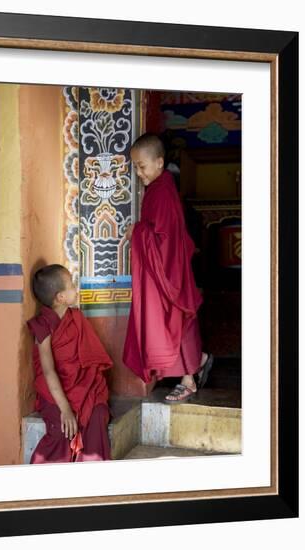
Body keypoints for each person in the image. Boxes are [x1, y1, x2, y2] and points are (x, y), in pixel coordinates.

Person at [123, 133, 213, 403]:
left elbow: (164, 238)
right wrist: (141, 232)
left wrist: (136, 231)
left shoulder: (161, 191)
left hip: (168, 271)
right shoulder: (160, 188)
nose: (139, 173)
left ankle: (188, 380)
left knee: (177, 319)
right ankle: (200, 360)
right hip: (168, 268)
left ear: (159, 162)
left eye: (142, 166)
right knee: (177, 320)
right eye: (136, 167)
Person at [26, 264, 113, 463]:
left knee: (98, 414)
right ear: (60, 297)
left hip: (82, 386)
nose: (76, 288)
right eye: (72, 285)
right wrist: (65, 409)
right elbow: (48, 372)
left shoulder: (76, 317)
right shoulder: (43, 326)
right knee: (61, 431)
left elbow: (88, 359)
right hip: (54, 391)